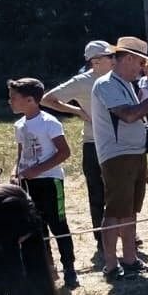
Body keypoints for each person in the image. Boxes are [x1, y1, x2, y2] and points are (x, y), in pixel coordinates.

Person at [90, 37, 148, 280]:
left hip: (134, 153)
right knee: (115, 209)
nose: (142, 69)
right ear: (129, 59)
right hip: (117, 154)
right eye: (140, 63)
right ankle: (111, 265)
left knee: (130, 209)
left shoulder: (126, 84)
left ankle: (130, 259)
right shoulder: (106, 84)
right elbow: (128, 115)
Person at [42, 41, 118, 253]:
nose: (113, 59)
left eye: (113, 56)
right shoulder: (82, 81)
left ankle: (123, 230)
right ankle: (101, 238)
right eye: (108, 57)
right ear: (95, 62)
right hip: (94, 144)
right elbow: (47, 99)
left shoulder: (117, 78)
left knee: (119, 191)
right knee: (97, 193)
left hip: (119, 143)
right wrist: (77, 112)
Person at [7, 78, 75, 289]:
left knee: (58, 224)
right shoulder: (19, 125)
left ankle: (70, 269)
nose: (10, 102)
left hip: (49, 181)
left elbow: (64, 152)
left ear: (30, 100)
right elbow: (21, 153)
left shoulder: (49, 122)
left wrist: (37, 170)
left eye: (14, 98)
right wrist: (15, 171)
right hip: (28, 184)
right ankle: (47, 268)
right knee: (37, 227)